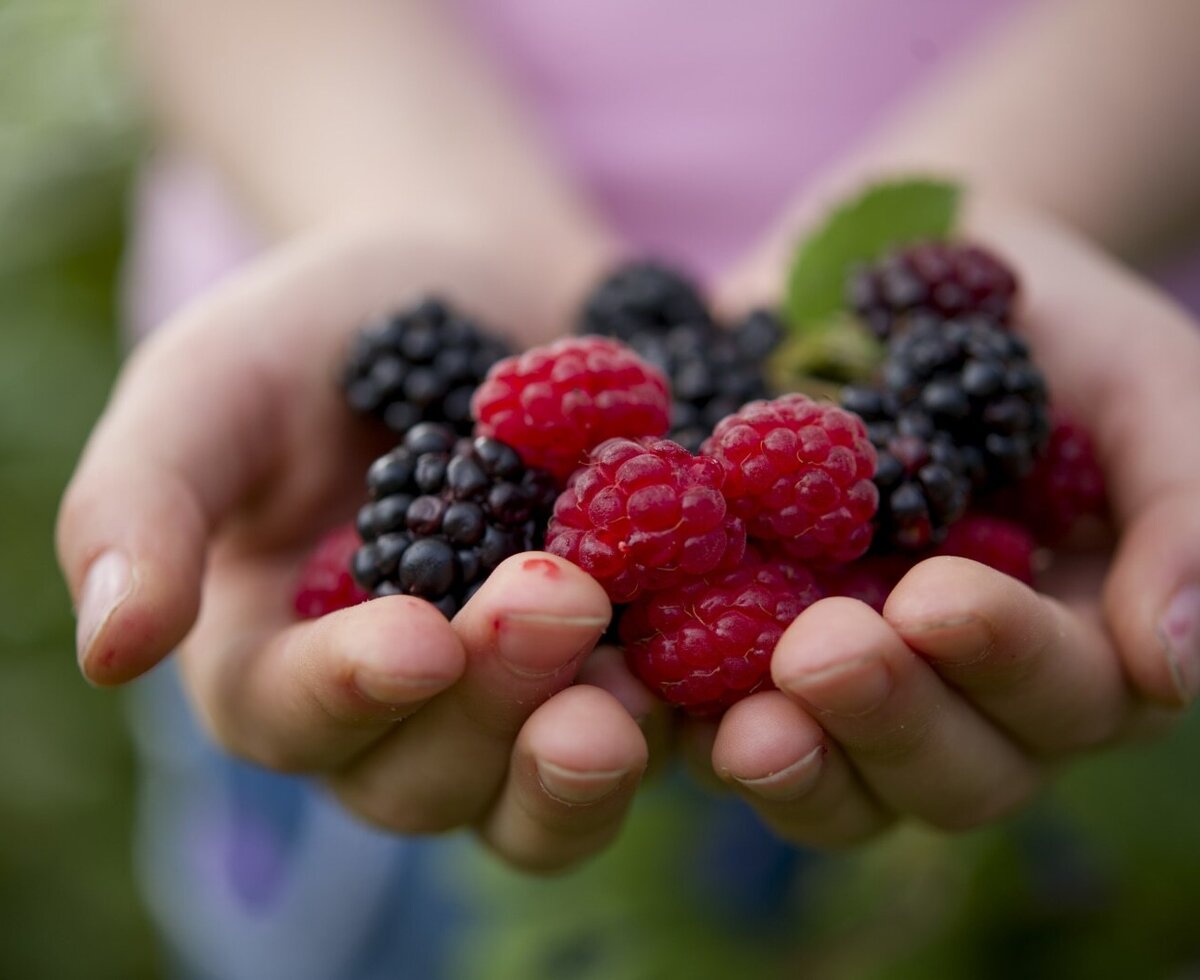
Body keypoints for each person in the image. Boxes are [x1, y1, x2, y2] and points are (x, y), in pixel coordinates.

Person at [57, 0, 1200, 976]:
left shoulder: (844, 457)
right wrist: (419, 213)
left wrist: (1044, 198)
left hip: (1011, 551)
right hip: (334, 430)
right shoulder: (533, 463)